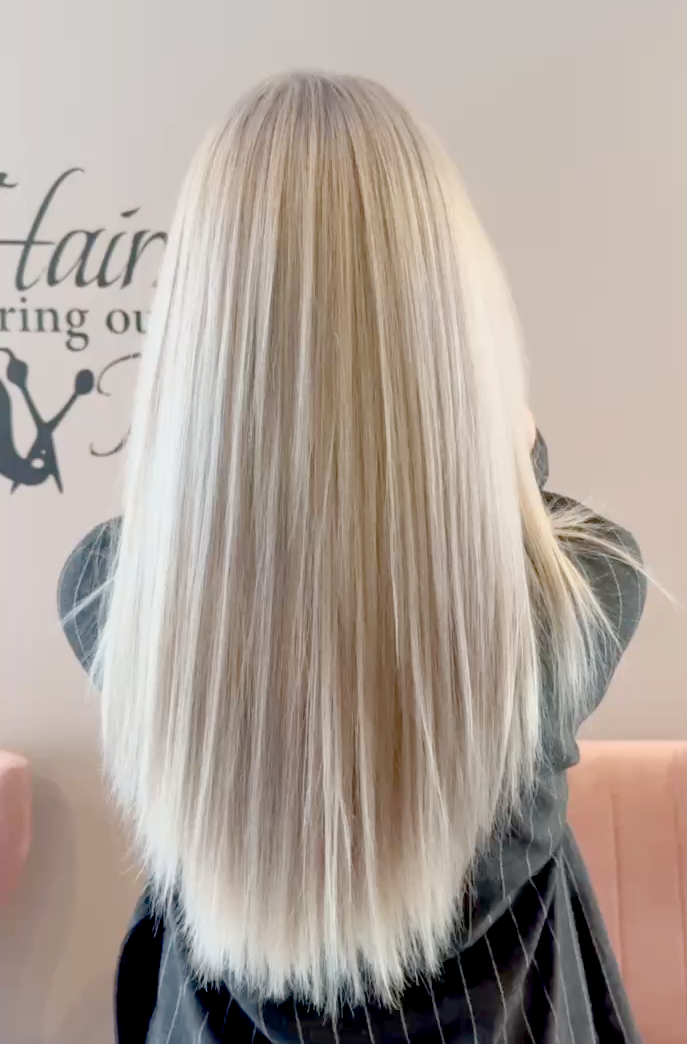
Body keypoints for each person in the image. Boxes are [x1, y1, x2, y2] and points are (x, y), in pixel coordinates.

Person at [58, 72, 646, 1044]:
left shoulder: (113, 599)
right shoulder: (577, 598)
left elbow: (165, 540)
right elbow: (523, 523)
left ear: (197, 342)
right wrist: (513, 451)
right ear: (452, 329)